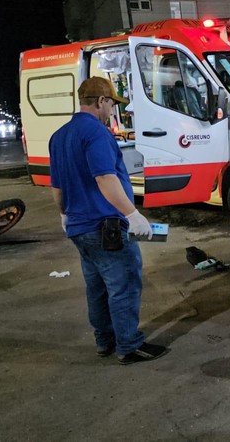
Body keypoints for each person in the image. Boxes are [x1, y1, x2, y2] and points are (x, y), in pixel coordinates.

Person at [49, 77, 166, 365]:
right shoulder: (97, 133)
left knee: (97, 288)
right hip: (105, 227)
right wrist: (132, 214)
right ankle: (128, 346)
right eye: (112, 104)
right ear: (101, 101)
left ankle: (105, 340)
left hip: (79, 228)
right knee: (123, 285)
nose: (112, 110)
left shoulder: (59, 136)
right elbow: (104, 177)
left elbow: (57, 187)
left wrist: (64, 214)